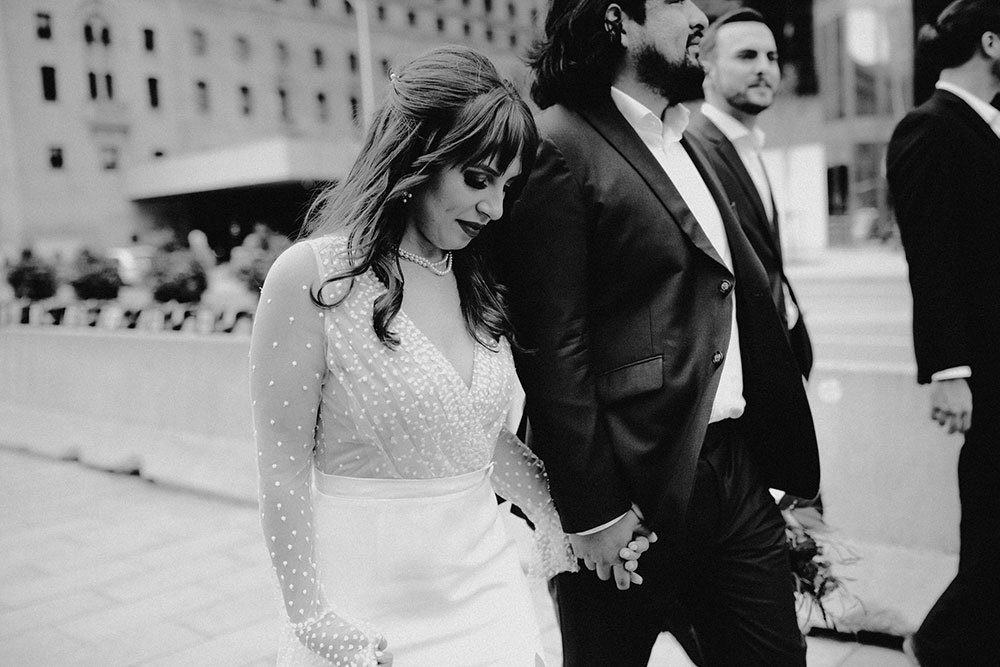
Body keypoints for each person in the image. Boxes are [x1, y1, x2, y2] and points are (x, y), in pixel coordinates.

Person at [249, 45, 647, 667]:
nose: (494, 208)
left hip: (485, 587)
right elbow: (279, 469)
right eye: (478, 179)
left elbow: (475, 438)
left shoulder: (477, 279)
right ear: (417, 156)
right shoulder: (312, 277)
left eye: (508, 188)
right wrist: (310, 617)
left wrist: (574, 517)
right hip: (367, 605)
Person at [492, 0, 820, 665]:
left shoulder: (692, 141)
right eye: (679, 2)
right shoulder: (558, 142)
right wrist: (594, 510)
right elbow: (551, 344)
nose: (702, 15)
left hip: (736, 472)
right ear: (617, 19)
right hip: (629, 487)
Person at [886, 1, 1000, 664]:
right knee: (992, 529)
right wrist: (950, 372)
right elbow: (931, 260)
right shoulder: (929, 128)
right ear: (990, 41)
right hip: (984, 372)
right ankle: (937, 644)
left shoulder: (986, 126)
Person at [688, 7, 812, 380]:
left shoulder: (750, 146)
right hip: (742, 375)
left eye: (772, 57)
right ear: (705, 67)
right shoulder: (693, 149)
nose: (764, 68)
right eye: (747, 56)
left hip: (780, 359)